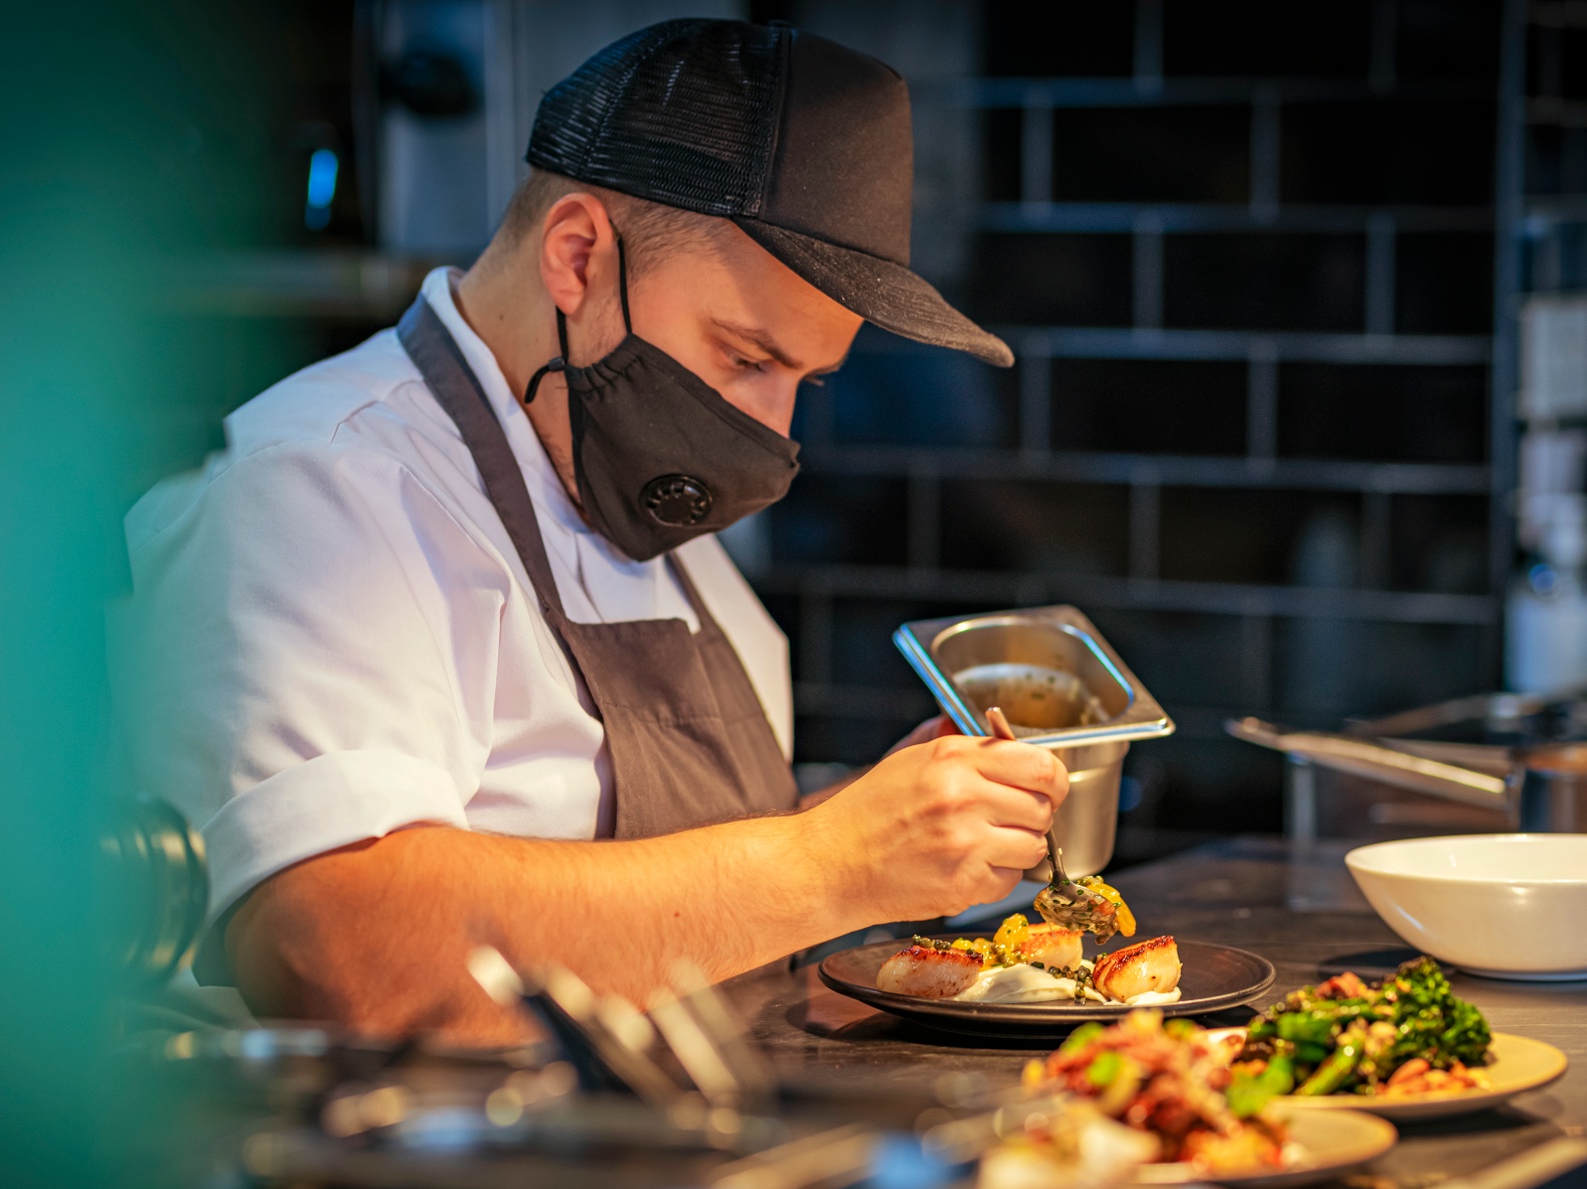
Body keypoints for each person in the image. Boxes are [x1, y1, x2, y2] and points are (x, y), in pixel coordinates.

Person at [117, 19, 1066, 1040]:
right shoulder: (321, 486)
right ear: (575, 257)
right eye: (744, 356)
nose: (773, 431)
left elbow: (684, 910)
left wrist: (901, 830)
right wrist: (831, 863)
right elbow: (348, 953)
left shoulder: (650, 505)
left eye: (805, 379)